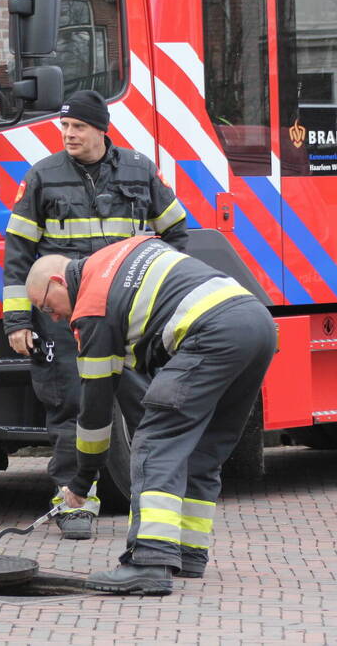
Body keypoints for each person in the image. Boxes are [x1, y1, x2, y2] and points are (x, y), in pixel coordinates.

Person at [25, 236, 276, 595]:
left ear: (58, 282)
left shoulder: (93, 307)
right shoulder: (115, 259)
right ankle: (189, 552)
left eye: (46, 306)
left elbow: (95, 409)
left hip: (212, 332)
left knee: (155, 444)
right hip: (256, 324)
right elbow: (136, 386)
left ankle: (149, 561)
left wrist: (82, 480)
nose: (53, 317)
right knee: (204, 450)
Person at [2, 89, 189, 539]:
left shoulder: (140, 170)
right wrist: (18, 320)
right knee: (70, 405)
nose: (69, 135)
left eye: (79, 127)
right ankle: (75, 503)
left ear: (101, 129)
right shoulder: (44, 176)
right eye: (64, 127)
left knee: (144, 407)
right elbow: (17, 254)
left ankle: (153, 504)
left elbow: (177, 232)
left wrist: (159, 294)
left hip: (127, 316)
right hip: (65, 316)